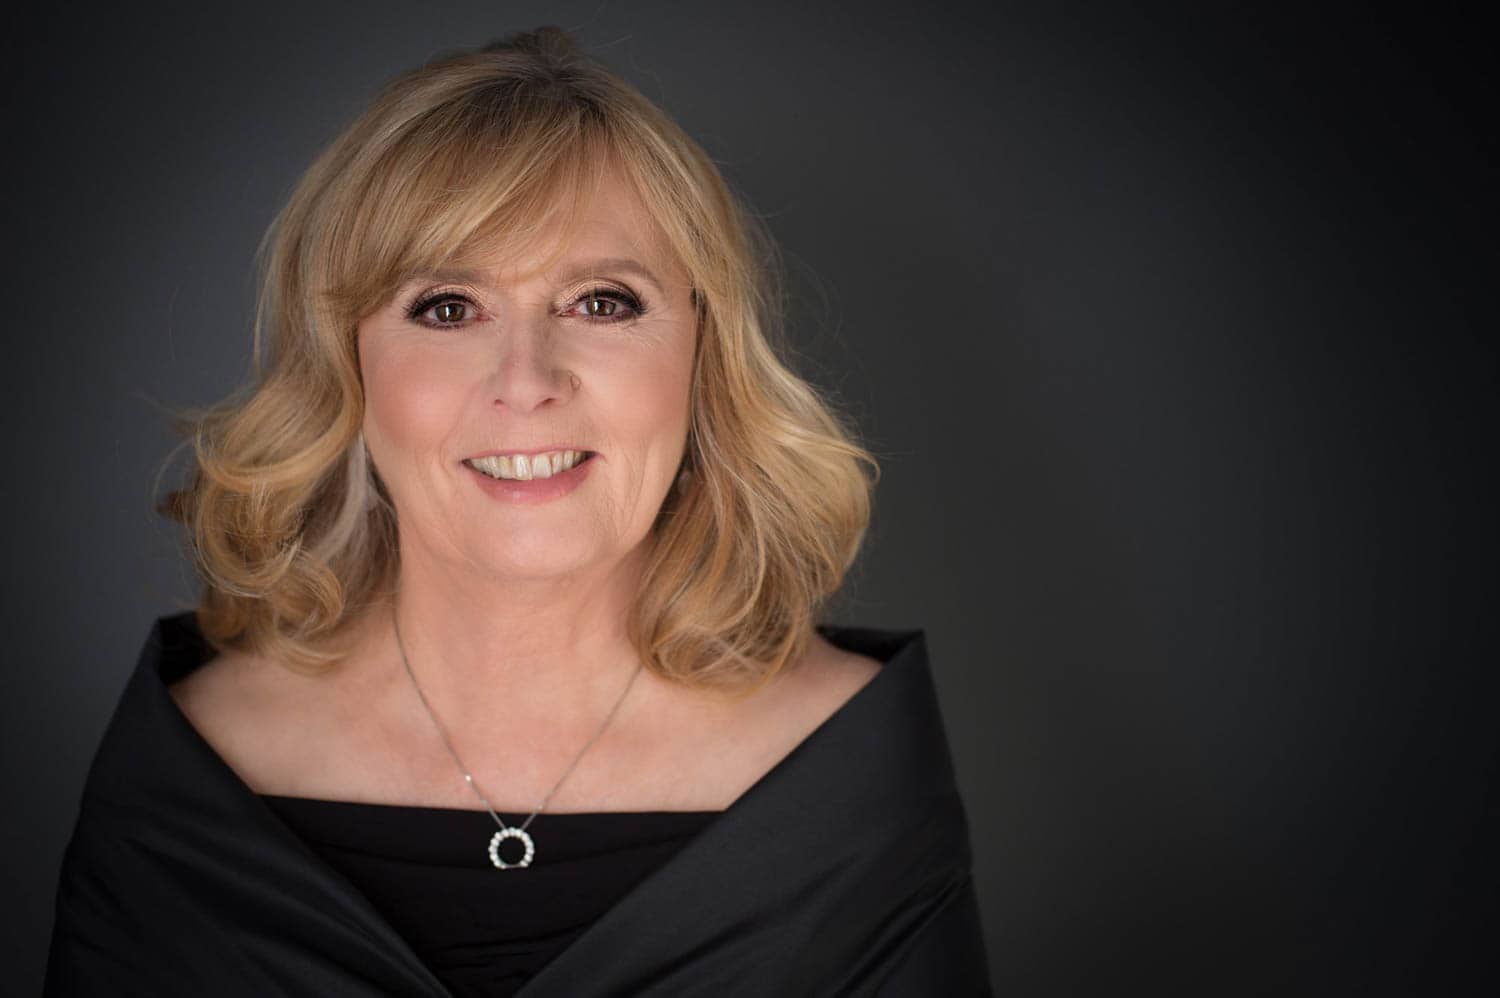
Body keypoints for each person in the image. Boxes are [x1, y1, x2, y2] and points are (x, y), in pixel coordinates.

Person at [43, 26, 992, 997]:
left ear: (703, 352)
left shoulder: (848, 770)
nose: (526, 381)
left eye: (602, 302)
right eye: (449, 308)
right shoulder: (185, 773)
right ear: (347, 364)